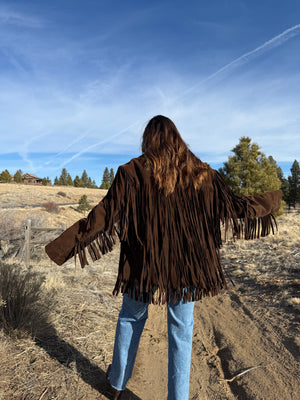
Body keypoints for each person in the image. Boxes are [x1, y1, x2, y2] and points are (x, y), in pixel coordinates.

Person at [45, 115, 282, 400]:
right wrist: (272, 199)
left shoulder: (131, 172)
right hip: (188, 267)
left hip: (143, 265)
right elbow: (236, 206)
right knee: (182, 330)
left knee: (131, 318)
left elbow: (101, 217)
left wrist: (61, 247)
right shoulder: (204, 174)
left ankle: (117, 384)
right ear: (177, 139)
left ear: (149, 140)